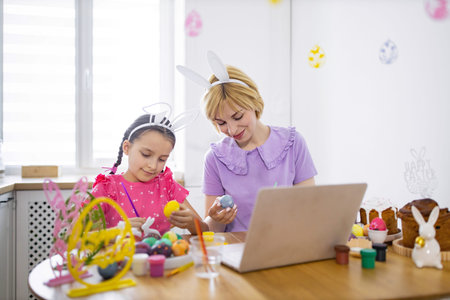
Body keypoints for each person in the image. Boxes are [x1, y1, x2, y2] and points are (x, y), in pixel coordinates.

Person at [177, 51, 317, 232]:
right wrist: (217, 218)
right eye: (221, 123)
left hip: (287, 245)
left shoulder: (293, 143)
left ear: (253, 101)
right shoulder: (215, 158)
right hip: (235, 252)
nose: (232, 130)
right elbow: (212, 232)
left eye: (238, 116)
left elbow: (310, 207)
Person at [91, 104, 208, 235]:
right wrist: (117, 231)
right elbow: (73, 238)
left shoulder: (168, 187)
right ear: (127, 147)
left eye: (162, 159)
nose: (153, 165)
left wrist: (193, 224)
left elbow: (206, 231)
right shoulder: (107, 189)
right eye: (146, 155)